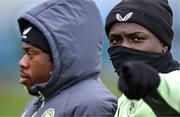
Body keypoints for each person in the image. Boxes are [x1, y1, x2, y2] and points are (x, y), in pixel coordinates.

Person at [18, 0, 117, 116]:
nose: (22, 63)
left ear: (58, 57)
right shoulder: (39, 101)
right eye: (24, 53)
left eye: (31, 54)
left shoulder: (93, 105)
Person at [104, 0, 180, 116]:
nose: (124, 47)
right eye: (115, 40)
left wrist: (156, 84)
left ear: (164, 45)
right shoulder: (123, 101)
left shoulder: (175, 82)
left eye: (136, 38)